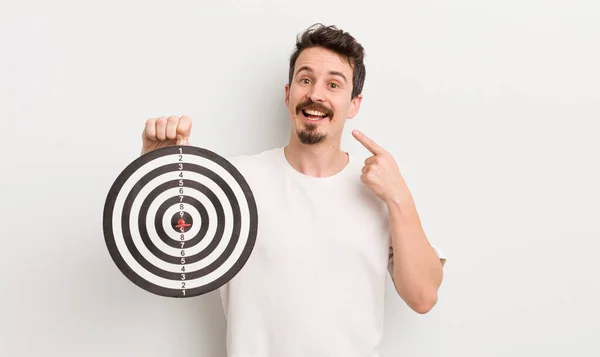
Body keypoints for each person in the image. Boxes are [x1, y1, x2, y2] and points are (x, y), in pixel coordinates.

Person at [140, 23, 446, 357]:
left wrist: (399, 197)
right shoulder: (237, 182)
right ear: (288, 95)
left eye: (333, 84)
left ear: (354, 104)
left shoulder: (382, 189)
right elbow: (170, 256)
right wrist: (155, 171)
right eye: (305, 79)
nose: (316, 94)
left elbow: (423, 297)